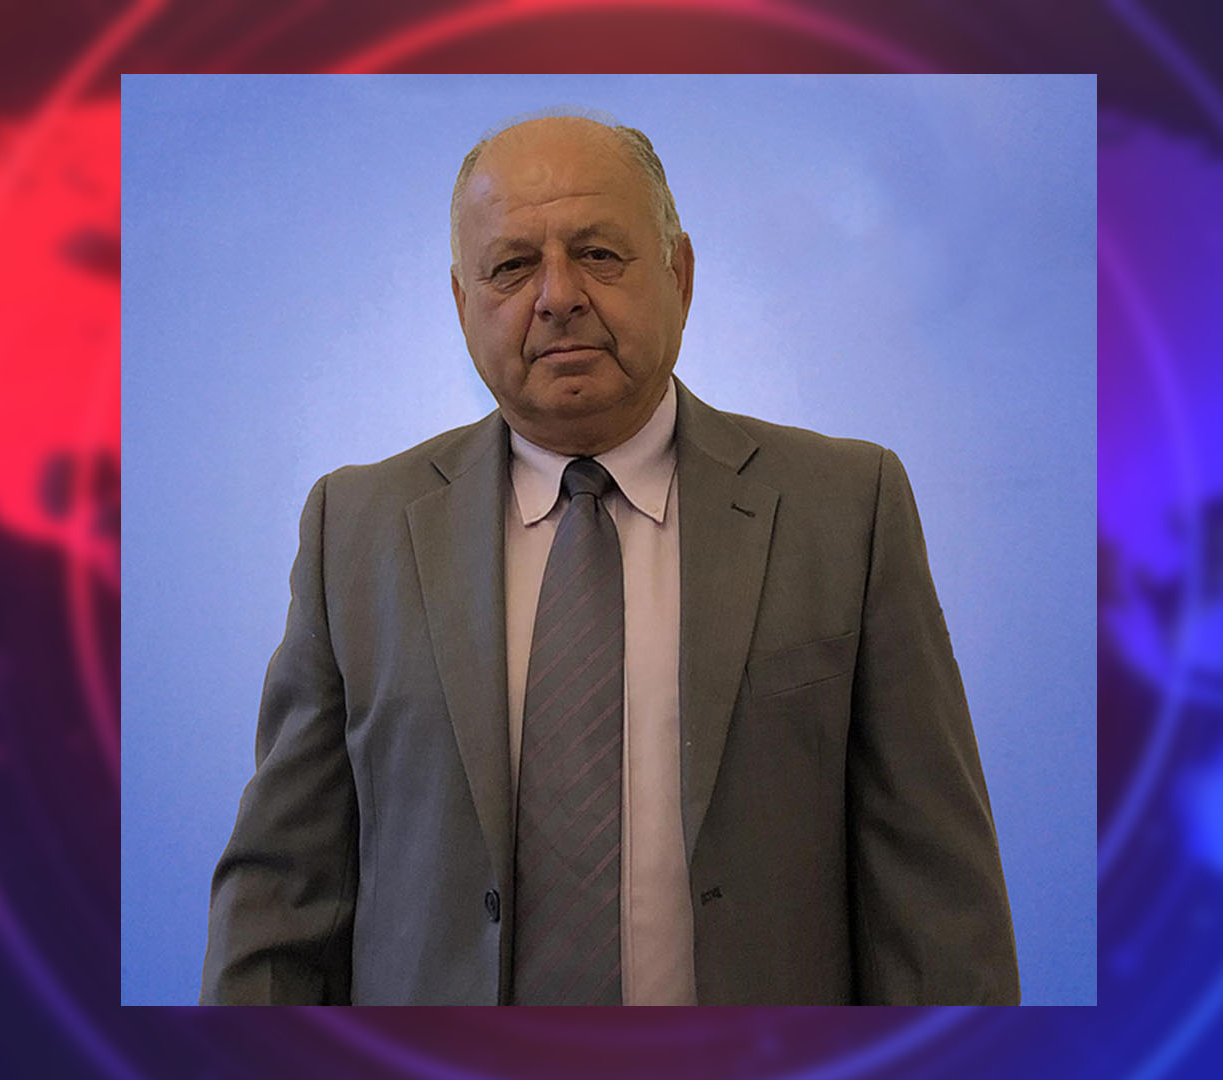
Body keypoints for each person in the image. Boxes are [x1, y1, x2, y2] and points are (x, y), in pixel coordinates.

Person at [200, 113, 1019, 1005]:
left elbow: (936, 901)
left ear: (681, 274)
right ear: (462, 303)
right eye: (513, 266)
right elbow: (284, 890)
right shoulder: (354, 529)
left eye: (598, 253)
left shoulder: (846, 509)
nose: (558, 296)